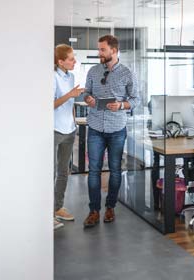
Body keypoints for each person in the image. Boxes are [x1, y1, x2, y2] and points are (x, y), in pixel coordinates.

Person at [81, 35, 139, 228]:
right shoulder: (93, 70)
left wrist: (122, 105)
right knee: (94, 171)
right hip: (96, 126)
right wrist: (88, 98)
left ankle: (110, 207)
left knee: (115, 170)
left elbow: (136, 99)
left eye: (102, 50)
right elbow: (86, 92)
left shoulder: (127, 73)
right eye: (99, 49)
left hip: (117, 128)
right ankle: (94, 210)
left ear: (113, 51)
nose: (99, 53)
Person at [53, 44, 84, 230]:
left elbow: (70, 103)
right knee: (50, 172)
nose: (74, 62)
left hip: (69, 130)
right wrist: (70, 94)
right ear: (60, 61)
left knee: (64, 172)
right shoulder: (52, 77)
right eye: (71, 59)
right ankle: (45, 213)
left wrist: (74, 123)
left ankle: (57, 208)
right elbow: (50, 104)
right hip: (54, 129)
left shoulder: (71, 76)